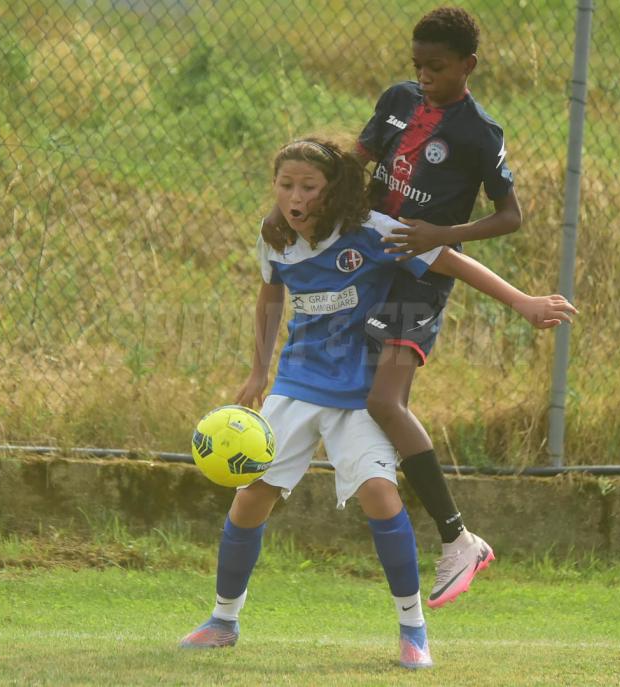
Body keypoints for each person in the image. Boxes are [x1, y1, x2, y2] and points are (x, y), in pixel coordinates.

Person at [180, 138, 575, 669]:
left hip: (359, 391)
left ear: (332, 190)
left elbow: (452, 262)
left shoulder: (372, 231)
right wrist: (258, 370)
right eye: (285, 185)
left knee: (379, 496)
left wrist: (524, 302)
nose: (295, 197)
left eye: (308, 186)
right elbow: (270, 294)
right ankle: (223, 620)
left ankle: (413, 630)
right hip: (296, 384)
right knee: (251, 496)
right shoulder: (275, 238)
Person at [262, 7, 523, 609]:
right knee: (357, 389)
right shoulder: (398, 100)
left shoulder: (479, 133)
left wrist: (443, 233)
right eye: (418, 65)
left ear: (468, 66)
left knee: (384, 401)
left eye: (438, 67)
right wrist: (289, 208)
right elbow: (351, 163)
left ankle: (458, 539)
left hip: (419, 280)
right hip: (371, 261)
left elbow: (510, 216)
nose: (424, 76)